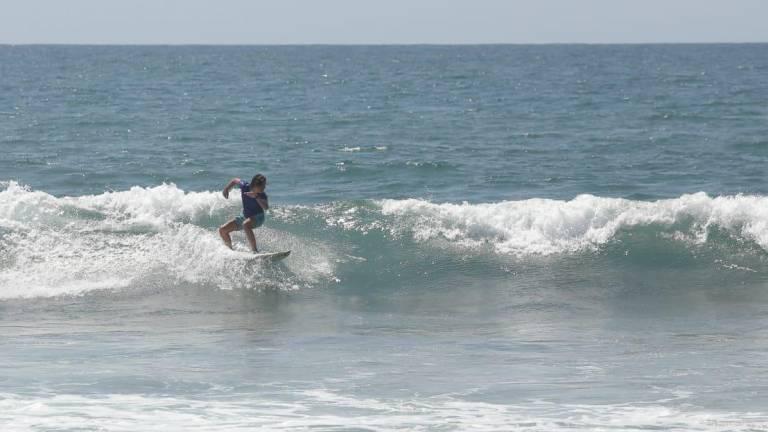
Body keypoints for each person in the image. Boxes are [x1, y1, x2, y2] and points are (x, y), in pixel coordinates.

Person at [219, 174, 269, 252]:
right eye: (262, 186)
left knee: (246, 224)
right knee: (222, 230)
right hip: (244, 216)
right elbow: (235, 180)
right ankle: (230, 250)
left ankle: (255, 251)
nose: (264, 188)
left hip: (258, 217)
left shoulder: (262, 194)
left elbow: (266, 207)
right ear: (255, 185)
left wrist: (256, 197)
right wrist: (227, 189)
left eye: (264, 185)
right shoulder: (245, 186)